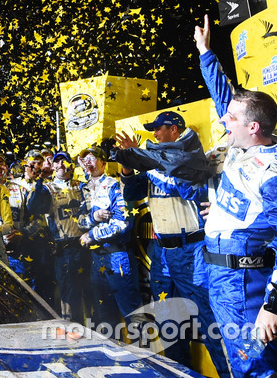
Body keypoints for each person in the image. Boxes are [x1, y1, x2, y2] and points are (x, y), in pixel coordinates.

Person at [194, 14, 277, 377]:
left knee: (255, 366)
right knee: (233, 359)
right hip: (212, 269)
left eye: (230, 118)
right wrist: (205, 52)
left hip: (242, 281)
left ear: (253, 127)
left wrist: (274, 304)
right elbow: (222, 94)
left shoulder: (274, 173)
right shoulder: (240, 142)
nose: (221, 120)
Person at [114, 112, 229, 375]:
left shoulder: (190, 158)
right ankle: (179, 372)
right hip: (162, 250)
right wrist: (129, 165)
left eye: (158, 128)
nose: (154, 133)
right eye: (152, 129)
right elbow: (131, 194)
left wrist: (146, 159)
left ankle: (226, 372)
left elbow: (194, 190)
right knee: (168, 319)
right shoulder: (151, 161)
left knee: (207, 318)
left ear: (175, 129)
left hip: (192, 248)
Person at [76, 145, 143, 332]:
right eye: (85, 158)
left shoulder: (115, 185)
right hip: (97, 259)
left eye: (93, 158)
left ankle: (144, 358)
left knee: (132, 313)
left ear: (104, 163)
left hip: (118, 256)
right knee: (104, 316)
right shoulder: (84, 189)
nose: (88, 161)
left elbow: (122, 224)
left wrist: (92, 234)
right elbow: (79, 222)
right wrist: (93, 218)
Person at [5, 149, 53, 303]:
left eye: (39, 163)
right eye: (32, 163)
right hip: (17, 246)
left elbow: (42, 219)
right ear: (25, 164)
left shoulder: (48, 186)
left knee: (43, 289)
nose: (35, 166)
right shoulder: (13, 186)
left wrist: (24, 233)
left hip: (41, 245)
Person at [45, 150, 87, 322]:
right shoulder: (47, 188)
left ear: (71, 165)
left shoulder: (82, 185)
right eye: (58, 161)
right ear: (53, 166)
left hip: (85, 247)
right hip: (64, 249)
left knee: (89, 292)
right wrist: (40, 180)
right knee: (69, 297)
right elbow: (35, 207)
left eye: (65, 161)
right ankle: (72, 337)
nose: (61, 164)